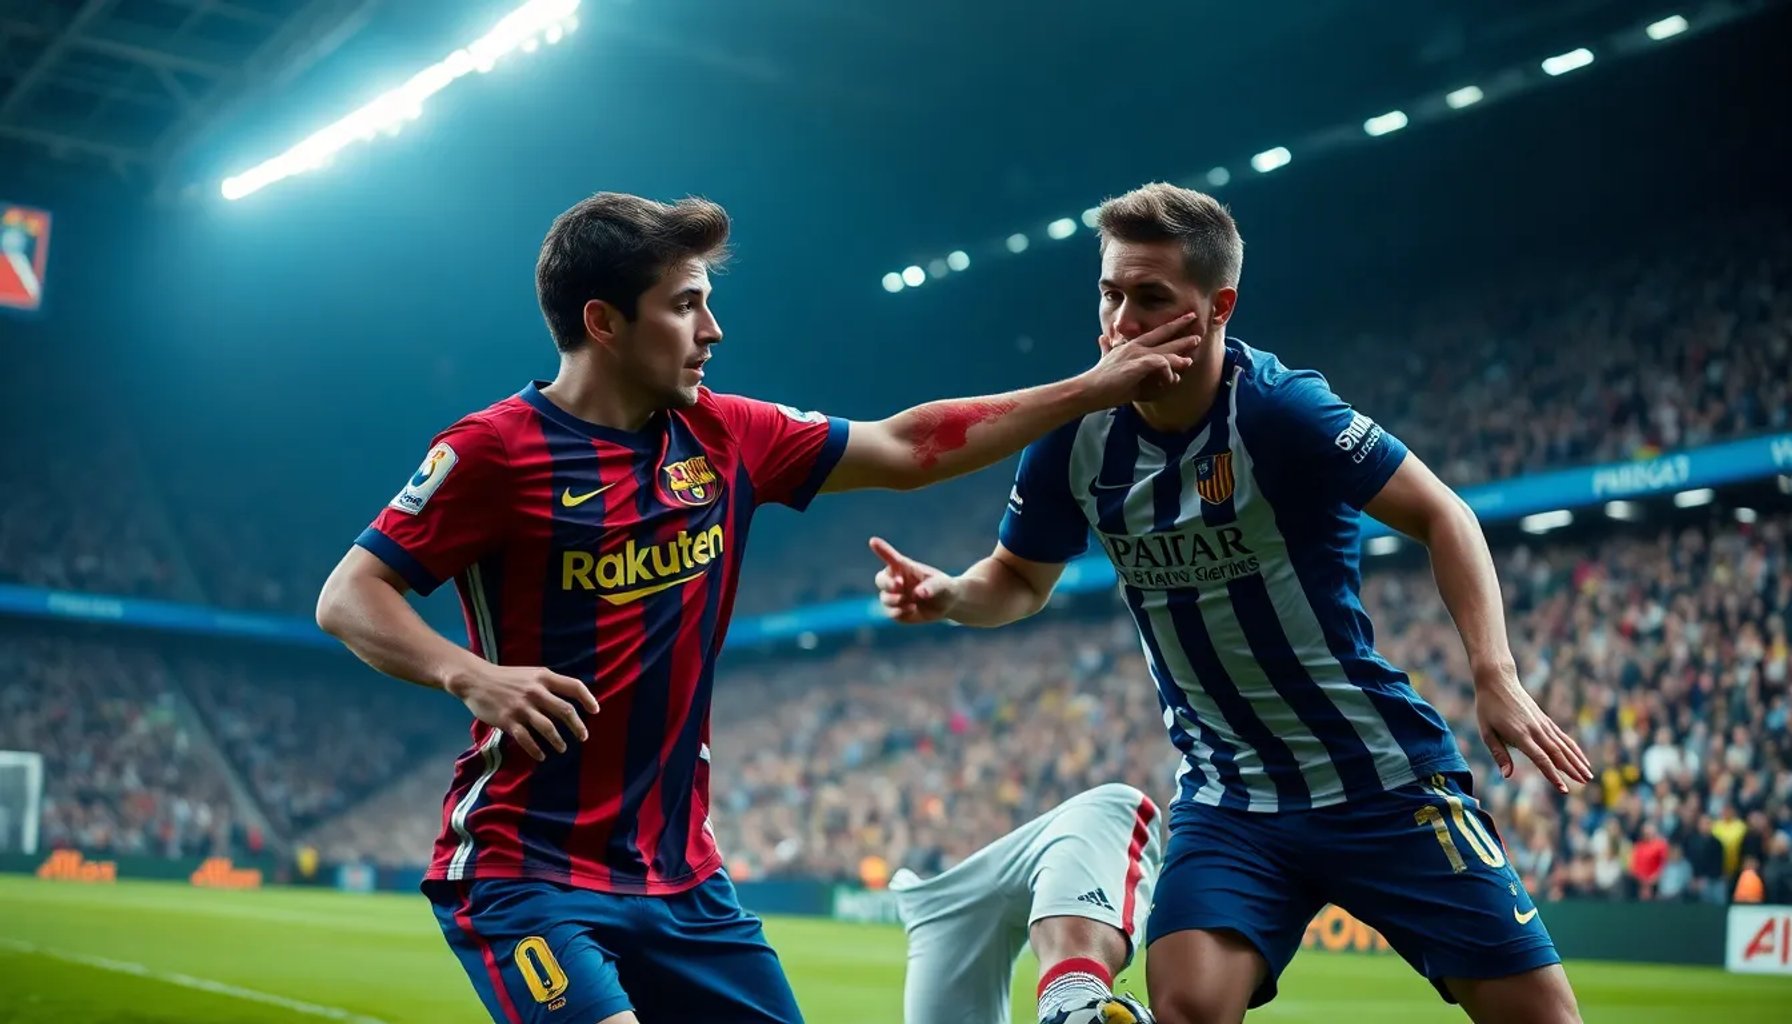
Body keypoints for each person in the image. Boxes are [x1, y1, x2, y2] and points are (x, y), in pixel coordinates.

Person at [314, 192, 1201, 1024]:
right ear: (603, 322)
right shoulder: (493, 452)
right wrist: (470, 674)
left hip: (686, 883)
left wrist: (1091, 388)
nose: (713, 329)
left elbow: (906, 444)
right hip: (528, 869)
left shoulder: (727, 435)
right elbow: (351, 593)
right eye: (685, 305)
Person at [865, 182, 1595, 1024]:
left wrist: (1494, 673)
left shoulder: (1280, 410)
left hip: (1382, 783)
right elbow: (1019, 580)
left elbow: (1444, 512)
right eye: (1110, 294)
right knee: (1185, 1012)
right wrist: (950, 595)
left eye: (1151, 299)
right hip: (1231, 798)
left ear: (1218, 308)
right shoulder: (1073, 434)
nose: (1121, 322)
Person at [893, 784, 1163, 1024]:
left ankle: (1075, 995)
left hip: (1098, 817)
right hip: (940, 908)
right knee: (1078, 1010)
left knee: (1077, 1011)